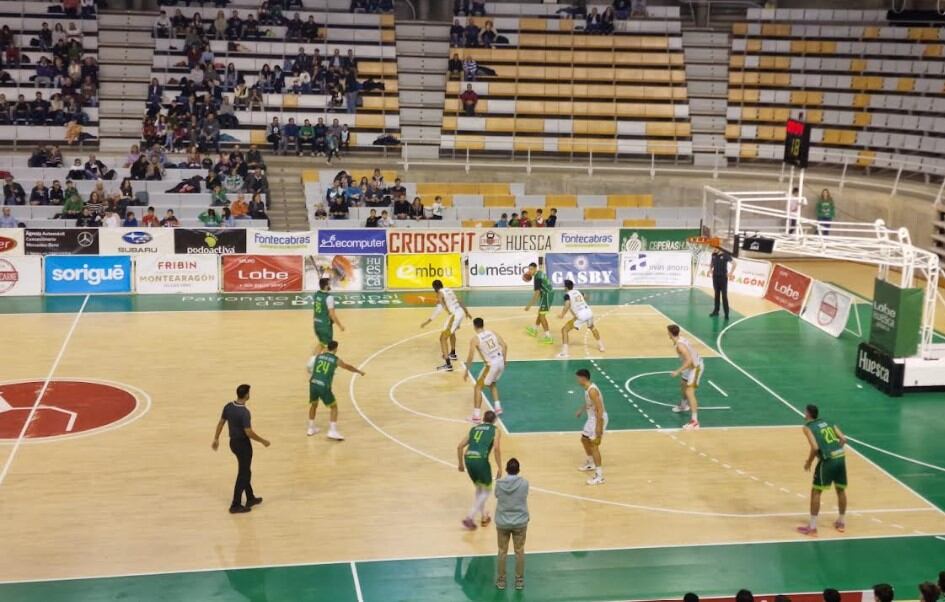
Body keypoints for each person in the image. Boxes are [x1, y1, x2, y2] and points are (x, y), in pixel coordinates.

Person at [211, 384, 270, 514]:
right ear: (246, 395)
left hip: (233, 443)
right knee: (244, 473)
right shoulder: (244, 413)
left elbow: (221, 423)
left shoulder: (228, 406)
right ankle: (235, 504)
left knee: (245, 470)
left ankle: (250, 497)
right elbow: (248, 432)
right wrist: (262, 441)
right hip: (243, 445)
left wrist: (216, 438)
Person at [306, 340, 365, 441]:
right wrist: (359, 372)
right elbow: (347, 367)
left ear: (327, 347)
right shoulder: (335, 359)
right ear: (335, 349)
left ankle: (311, 428)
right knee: (334, 407)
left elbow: (310, 365)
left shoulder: (319, 356)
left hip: (313, 383)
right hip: (323, 385)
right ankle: (332, 431)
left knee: (314, 405)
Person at [457, 410, 502, 530]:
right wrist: (500, 467)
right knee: (486, 491)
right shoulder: (495, 430)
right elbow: (496, 449)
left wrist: (461, 464)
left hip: (468, 459)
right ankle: (469, 517)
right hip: (481, 460)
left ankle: (483, 517)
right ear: (494, 421)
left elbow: (460, 446)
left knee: (479, 488)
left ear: (483, 418)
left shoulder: (474, 429)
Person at [420, 279, 473, 372]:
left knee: (442, 338)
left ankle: (448, 364)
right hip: (460, 312)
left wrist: (447, 311)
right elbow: (459, 301)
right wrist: (466, 312)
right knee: (452, 332)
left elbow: (440, 305)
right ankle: (452, 353)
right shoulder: (449, 290)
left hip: (454, 315)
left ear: (434, 288)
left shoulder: (439, 293)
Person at [463, 317, 508, 422]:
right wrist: (504, 361)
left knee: (478, 387)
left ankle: (476, 416)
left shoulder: (475, 339)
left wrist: (466, 371)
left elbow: (470, 357)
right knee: (492, 383)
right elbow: (505, 346)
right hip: (500, 361)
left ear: (474, 326)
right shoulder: (492, 332)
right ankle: (498, 407)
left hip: (491, 365)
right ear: (483, 325)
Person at [494, 458, 529, 591]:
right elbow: (524, 496)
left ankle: (501, 580)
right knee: (519, 551)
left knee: (502, 551)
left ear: (507, 469)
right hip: (520, 522)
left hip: (503, 522)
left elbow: (497, 495)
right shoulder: (524, 483)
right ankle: (519, 581)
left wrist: (497, 480)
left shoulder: (499, 483)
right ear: (518, 470)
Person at [668, 324, 704, 430]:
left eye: (668, 332)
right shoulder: (680, 339)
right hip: (690, 367)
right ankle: (683, 406)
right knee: (683, 384)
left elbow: (689, 361)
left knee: (689, 392)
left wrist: (677, 371)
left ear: (670, 333)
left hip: (695, 367)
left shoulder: (680, 345)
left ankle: (695, 422)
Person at [557, 279, 604, 358]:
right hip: (589, 312)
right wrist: (580, 303)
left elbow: (567, 305)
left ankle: (564, 353)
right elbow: (587, 297)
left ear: (566, 287)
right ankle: (601, 346)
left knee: (564, 330)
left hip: (581, 315)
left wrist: (562, 315)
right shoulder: (578, 292)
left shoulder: (567, 295)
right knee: (592, 327)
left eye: (564, 286)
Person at [575, 368, 606, 485]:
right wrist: (581, 410)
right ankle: (591, 463)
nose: (577, 380)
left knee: (594, 446)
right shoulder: (587, 388)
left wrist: (599, 427)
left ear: (583, 378)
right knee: (584, 439)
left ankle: (599, 476)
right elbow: (590, 403)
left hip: (598, 419)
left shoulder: (592, 390)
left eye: (578, 378)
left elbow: (600, 409)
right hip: (592, 418)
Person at [522, 262, 554, 344]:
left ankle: (548, 336)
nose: (530, 271)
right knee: (540, 313)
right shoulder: (539, 273)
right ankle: (534, 329)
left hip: (546, 295)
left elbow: (537, 293)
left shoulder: (537, 278)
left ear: (535, 269)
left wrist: (529, 305)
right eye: (529, 269)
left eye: (532, 269)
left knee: (542, 316)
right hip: (547, 293)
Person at [313, 277, 346, 354]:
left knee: (321, 344)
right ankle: (322, 364)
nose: (330, 285)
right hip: (325, 326)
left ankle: (312, 362)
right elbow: (332, 315)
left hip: (316, 324)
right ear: (326, 286)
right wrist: (340, 326)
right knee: (329, 348)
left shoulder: (316, 294)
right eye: (329, 284)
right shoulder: (329, 298)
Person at [708, 246, 732, 320]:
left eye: (715, 248)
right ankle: (716, 311)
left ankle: (726, 313)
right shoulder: (713, 254)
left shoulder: (725, 255)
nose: (713, 250)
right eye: (713, 248)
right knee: (716, 294)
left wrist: (730, 273)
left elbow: (734, 263)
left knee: (724, 296)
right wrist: (710, 269)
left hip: (723, 278)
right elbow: (711, 263)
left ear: (719, 248)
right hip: (715, 277)